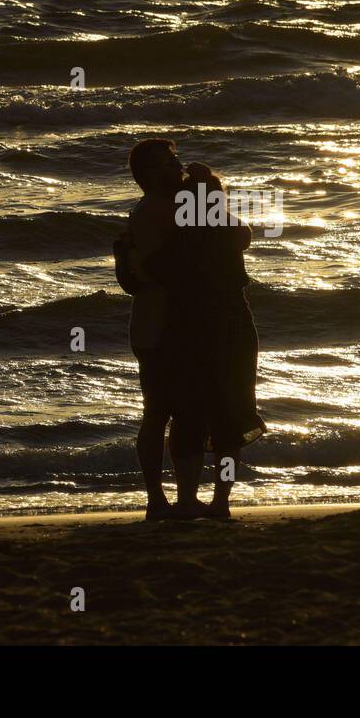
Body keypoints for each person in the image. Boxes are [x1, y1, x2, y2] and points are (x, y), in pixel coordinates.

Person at [146, 162, 266, 519]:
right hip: (233, 328)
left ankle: (186, 500)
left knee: (189, 414)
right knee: (230, 416)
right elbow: (239, 232)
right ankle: (221, 502)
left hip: (188, 330)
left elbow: (153, 269)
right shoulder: (229, 232)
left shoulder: (179, 237)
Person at [115, 138, 186, 520]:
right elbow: (162, 269)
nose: (177, 167)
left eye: (175, 159)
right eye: (168, 163)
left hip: (163, 325)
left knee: (172, 411)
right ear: (147, 175)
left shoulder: (168, 206)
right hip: (157, 327)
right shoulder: (154, 211)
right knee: (159, 412)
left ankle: (168, 497)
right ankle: (157, 498)